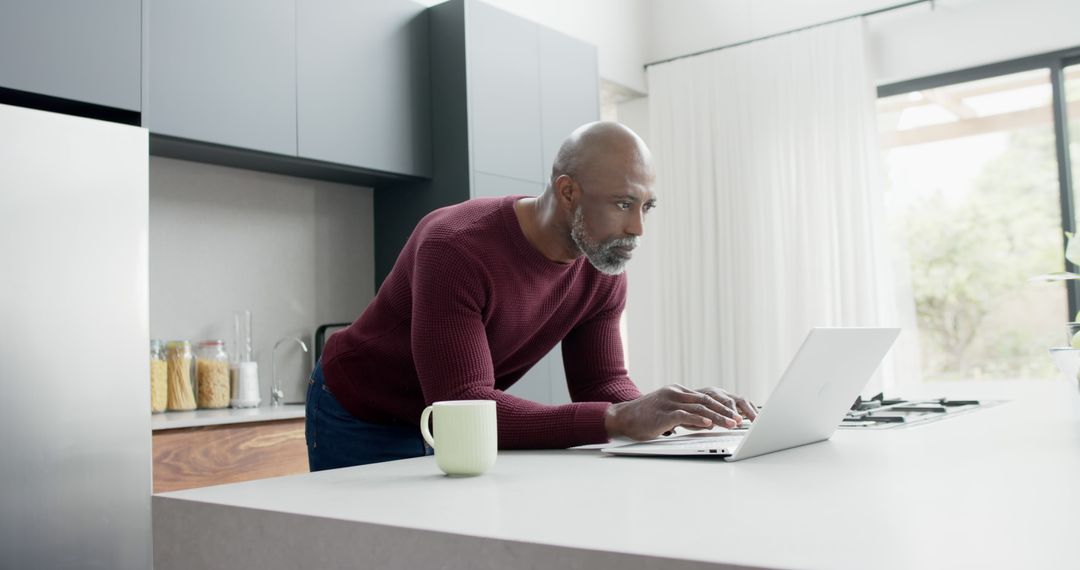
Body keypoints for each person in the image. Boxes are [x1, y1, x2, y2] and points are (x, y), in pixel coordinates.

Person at [306, 121, 757, 471]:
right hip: (360, 410)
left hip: (451, 419)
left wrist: (675, 415)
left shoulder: (601, 263)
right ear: (568, 192)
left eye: (646, 207)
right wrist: (617, 420)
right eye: (623, 204)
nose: (638, 228)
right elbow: (462, 404)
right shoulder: (456, 247)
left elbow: (602, 384)